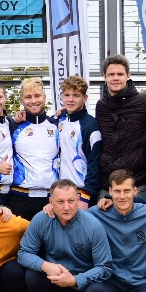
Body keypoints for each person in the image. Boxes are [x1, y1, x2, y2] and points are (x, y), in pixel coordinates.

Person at [17, 179, 114, 292]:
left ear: (78, 199)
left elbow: (105, 267)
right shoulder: (41, 219)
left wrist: (76, 280)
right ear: (51, 202)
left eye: (71, 201)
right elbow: (23, 253)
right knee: (32, 275)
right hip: (53, 276)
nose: (66, 207)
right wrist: (45, 266)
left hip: (79, 282)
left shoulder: (92, 225)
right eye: (60, 202)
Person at [93, 56, 146, 196]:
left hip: (137, 184)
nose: (115, 78)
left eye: (120, 74)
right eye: (111, 74)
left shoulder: (145, 102)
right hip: (107, 184)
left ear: (128, 76)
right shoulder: (101, 106)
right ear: (104, 76)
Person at [8, 77, 60, 219]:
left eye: (37, 96)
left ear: (44, 97)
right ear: (22, 100)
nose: (33, 101)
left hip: (50, 199)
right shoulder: (13, 126)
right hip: (19, 197)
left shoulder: (57, 125)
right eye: (28, 97)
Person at [54, 75, 103, 206]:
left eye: (76, 95)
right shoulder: (61, 119)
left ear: (85, 98)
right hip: (62, 191)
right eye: (66, 95)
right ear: (61, 97)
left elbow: (95, 163)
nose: (70, 99)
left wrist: (86, 196)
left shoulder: (90, 126)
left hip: (82, 192)